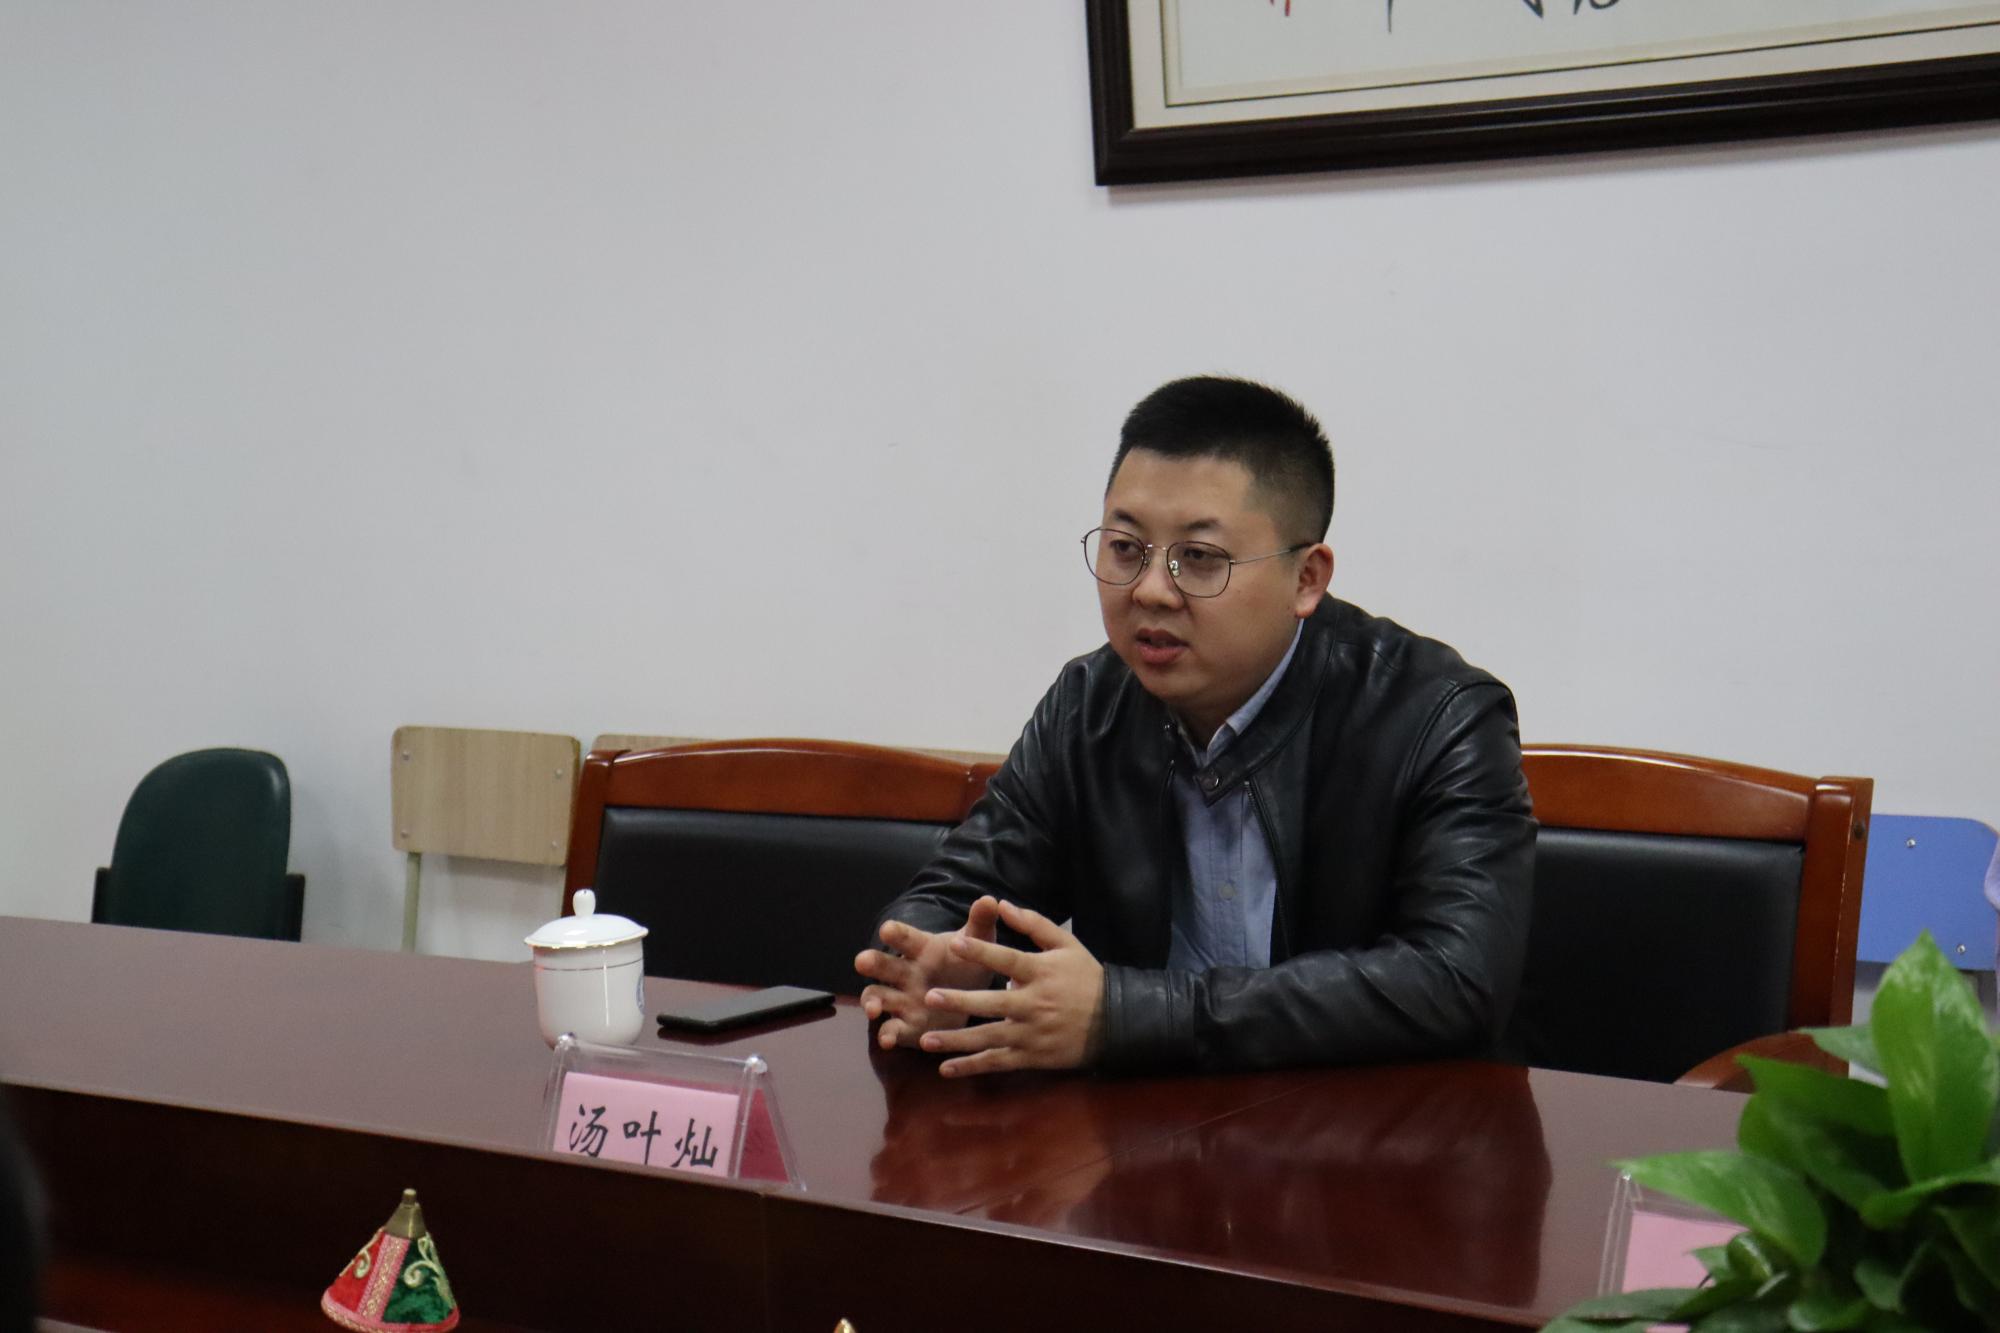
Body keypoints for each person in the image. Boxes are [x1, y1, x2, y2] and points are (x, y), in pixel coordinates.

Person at [855, 375, 1535, 1075]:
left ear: (1307, 577)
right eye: (1126, 548)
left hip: (1383, 1127)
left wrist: (1128, 1014)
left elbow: (1457, 980)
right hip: (1148, 1126)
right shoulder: (1088, 707)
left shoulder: (1438, 717)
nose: (1151, 589)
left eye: (1200, 559)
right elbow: (951, 894)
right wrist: (938, 963)